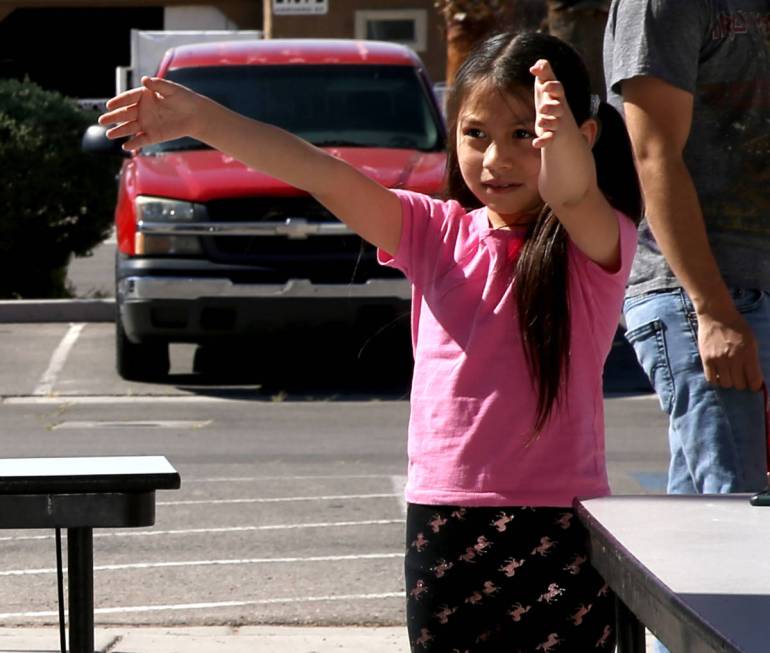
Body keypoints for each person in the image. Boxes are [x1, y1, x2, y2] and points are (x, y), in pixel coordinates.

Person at [100, 31, 641, 652]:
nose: (496, 160)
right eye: (476, 134)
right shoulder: (435, 233)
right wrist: (202, 118)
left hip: (559, 521)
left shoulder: (594, 241)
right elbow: (318, 173)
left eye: (527, 136)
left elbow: (571, 192)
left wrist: (560, 141)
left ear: (584, 139)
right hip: (443, 515)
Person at [604, 0, 770, 497]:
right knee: (741, 516)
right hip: (700, 295)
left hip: (752, 288)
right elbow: (653, 153)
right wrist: (713, 310)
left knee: (704, 519)